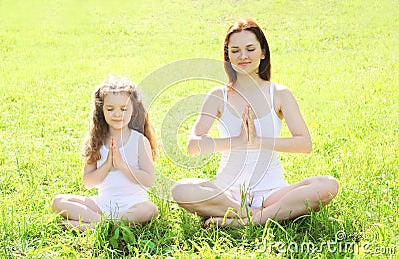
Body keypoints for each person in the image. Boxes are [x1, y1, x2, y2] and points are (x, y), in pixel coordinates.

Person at [171, 18, 339, 226]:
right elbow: (193, 145)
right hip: (228, 193)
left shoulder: (279, 94)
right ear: (228, 56)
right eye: (235, 51)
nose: (243, 56)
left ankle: (245, 221)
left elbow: (304, 144)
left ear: (263, 52)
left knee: (328, 185)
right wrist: (238, 141)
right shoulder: (218, 95)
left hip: (272, 192)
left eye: (250, 49)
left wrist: (259, 140)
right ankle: (259, 214)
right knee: (181, 189)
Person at [52, 76, 159, 229]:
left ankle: (96, 226)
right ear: (101, 110)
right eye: (110, 109)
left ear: (133, 109)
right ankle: (105, 224)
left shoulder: (139, 141)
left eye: (123, 109)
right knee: (58, 202)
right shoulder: (97, 140)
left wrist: (121, 165)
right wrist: (108, 164)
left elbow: (148, 180)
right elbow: (88, 182)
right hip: (102, 205)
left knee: (150, 209)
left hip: (133, 205)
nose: (117, 114)